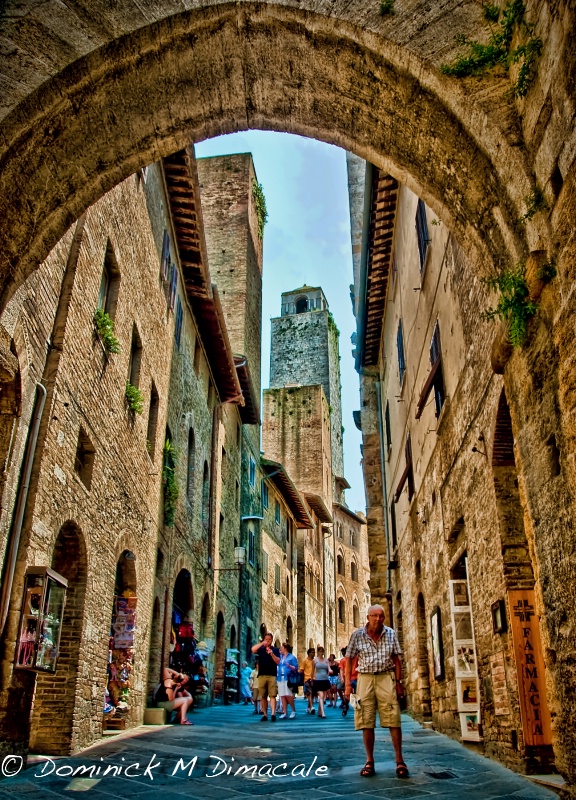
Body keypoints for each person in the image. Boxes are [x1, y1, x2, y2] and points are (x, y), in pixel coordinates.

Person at [344, 605, 408, 778]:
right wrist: (348, 685)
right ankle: (369, 760)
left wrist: (399, 682)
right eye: (374, 616)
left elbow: (396, 660)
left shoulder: (391, 633)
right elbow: (349, 659)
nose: (378, 619)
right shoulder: (357, 635)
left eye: (381, 616)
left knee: (393, 717)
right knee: (366, 719)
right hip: (364, 678)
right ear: (368, 617)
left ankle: (399, 760)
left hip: (386, 677)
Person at [251, 632, 280, 721]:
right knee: (263, 696)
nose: (268, 641)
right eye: (266, 639)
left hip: (272, 675)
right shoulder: (261, 649)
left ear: (272, 640)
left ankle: (273, 714)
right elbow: (253, 649)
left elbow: (278, 661)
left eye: (269, 640)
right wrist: (262, 643)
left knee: (272, 695)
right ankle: (265, 714)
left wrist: (272, 654)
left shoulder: (275, 650)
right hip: (262, 675)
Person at [277, 642, 299, 719]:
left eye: (281, 648)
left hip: (288, 678)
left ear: (285, 648)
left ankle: (293, 710)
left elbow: (296, 668)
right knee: (282, 695)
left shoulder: (292, 657)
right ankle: (284, 712)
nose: (280, 649)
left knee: (288, 695)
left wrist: (289, 666)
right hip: (280, 677)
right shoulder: (280, 657)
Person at [312, 646, 331, 718]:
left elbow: (329, 668)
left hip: (325, 679)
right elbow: (312, 670)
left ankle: (319, 711)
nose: (321, 653)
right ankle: (323, 713)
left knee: (323, 697)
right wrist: (311, 679)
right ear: (318, 652)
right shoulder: (315, 660)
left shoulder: (326, 660)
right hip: (318, 679)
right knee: (321, 695)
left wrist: (329, 672)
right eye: (320, 651)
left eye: (322, 651)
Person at [299, 647, 316, 714]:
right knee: (310, 693)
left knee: (313, 694)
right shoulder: (305, 661)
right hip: (307, 679)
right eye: (312, 652)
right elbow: (301, 670)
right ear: (309, 653)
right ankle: (312, 707)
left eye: (314, 652)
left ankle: (309, 707)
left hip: (314, 679)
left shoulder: (314, 661)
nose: (314, 654)